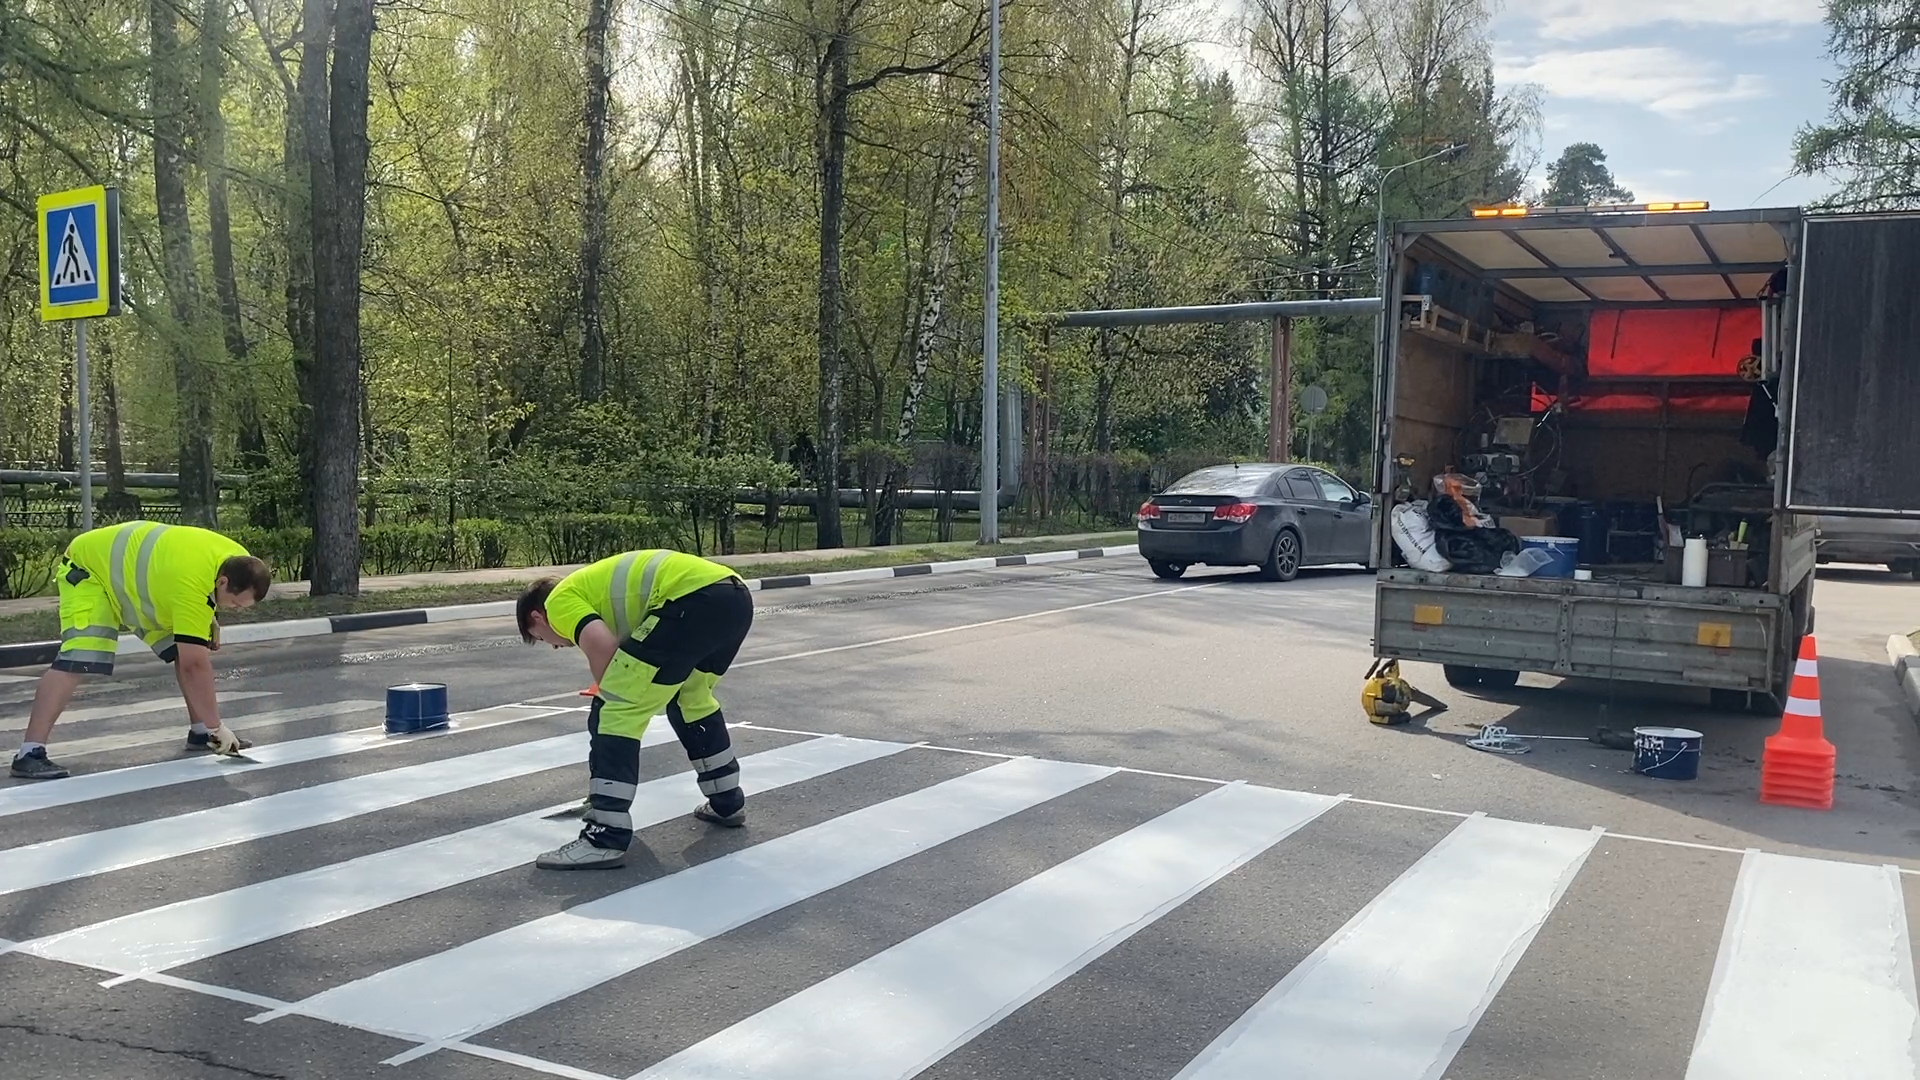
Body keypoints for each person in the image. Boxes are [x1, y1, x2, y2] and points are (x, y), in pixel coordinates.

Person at [516, 547, 754, 869]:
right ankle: (726, 802)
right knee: (691, 700)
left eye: (542, 639)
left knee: (614, 712)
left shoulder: (558, 602)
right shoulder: (592, 592)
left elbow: (602, 645)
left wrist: (611, 694)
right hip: (733, 597)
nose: (556, 646)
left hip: (690, 601)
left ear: (536, 617)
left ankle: (604, 837)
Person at [12, 520, 273, 780]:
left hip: (138, 576)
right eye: (236, 604)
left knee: (184, 649)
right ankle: (29, 752)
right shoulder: (192, 585)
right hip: (89, 570)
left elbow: (202, 609)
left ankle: (202, 732)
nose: (236, 610)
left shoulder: (238, 560)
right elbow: (196, 666)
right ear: (224, 582)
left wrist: (209, 619)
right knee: (79, 657)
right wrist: (220, 726)